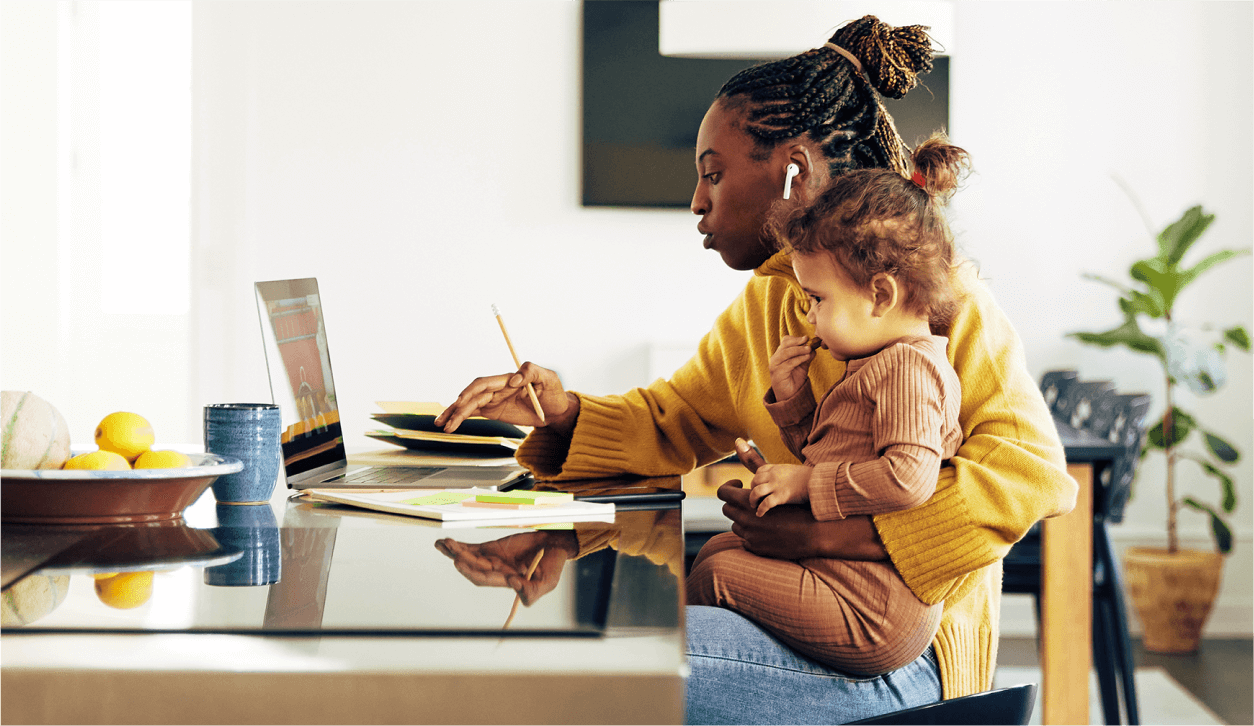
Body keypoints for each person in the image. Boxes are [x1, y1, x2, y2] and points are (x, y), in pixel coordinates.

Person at [435, 15, 1075, 725]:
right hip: (802, 606)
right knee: (631, 635)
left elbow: (1029, 474)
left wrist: (821, 532)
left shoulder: (938, 302)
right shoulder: (771, 300)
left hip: (906, 658)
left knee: (610, 668)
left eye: (712, 173)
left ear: (793, 167)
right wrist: (560, 413)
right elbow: (671, 419)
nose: (697, 201)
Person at [687, 135, 969, 678]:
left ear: (881, 296)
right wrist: (794, 400)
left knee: (712, 576)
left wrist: (800, 485)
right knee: (719, 552)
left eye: (817, 299)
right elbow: (835, 452)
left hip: (872, 610)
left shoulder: (910, 369)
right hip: (844, 582)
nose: (809, 316)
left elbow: (908, 479)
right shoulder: (875, 362)